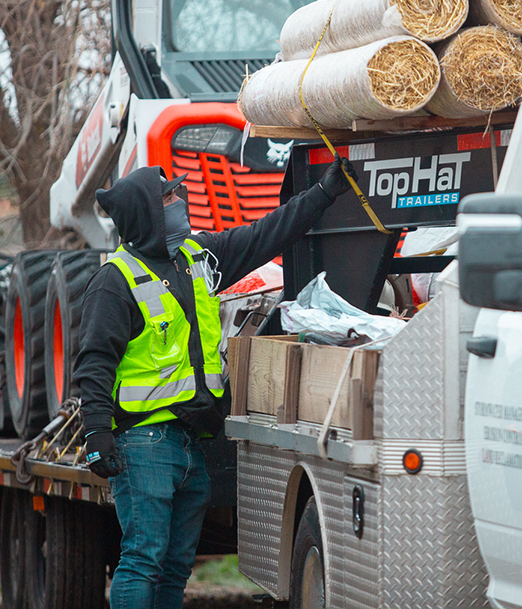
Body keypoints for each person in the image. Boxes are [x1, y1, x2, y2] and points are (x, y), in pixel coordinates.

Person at [74, 155, 356, 609]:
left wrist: (322, 194)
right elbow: (94, 363)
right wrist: (97, 432)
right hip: (144, 443)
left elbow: (266, 235)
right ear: (147, 212)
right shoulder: (115, 281)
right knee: (143, 560)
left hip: (190, 442)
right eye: (168, 196)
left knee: (173, 568)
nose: (178, 200)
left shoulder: (197, 259)